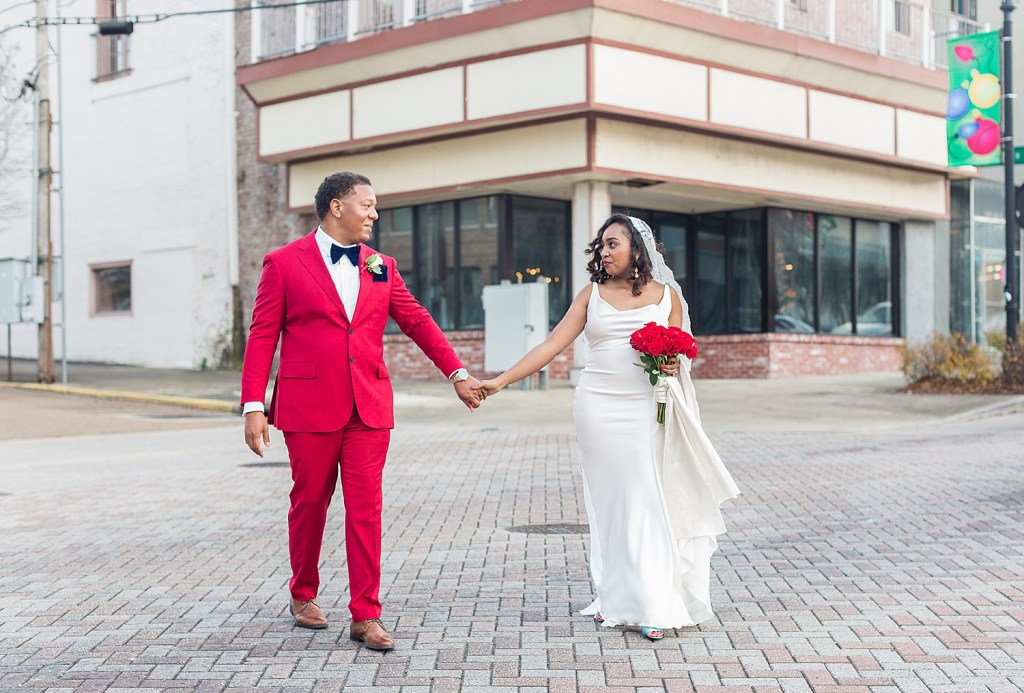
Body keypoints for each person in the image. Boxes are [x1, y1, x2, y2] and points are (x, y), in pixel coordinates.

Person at [240, 171, 482, 652]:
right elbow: (263, 334)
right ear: (337, 206)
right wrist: (253, 406)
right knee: (309, 502)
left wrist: (457, 373)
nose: (374, 213)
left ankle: (365, 613)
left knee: (366, 509)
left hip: (368, 406)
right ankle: (303, 592)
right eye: (367, 204)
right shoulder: (283, 263)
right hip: (309, 405)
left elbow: (416, 321)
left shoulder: (381, 266)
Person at [474, 214, 739, 640]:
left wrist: (672, 362)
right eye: (602, 244)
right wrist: (499, 382)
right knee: (610, 506)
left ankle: (654, 603)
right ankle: (615, 595)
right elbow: (551, 344)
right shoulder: (591, 294)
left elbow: (680, 351)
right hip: (596, 408)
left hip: (645, 408)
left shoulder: (667, 296)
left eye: (613, 243)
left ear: (638, 248)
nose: (604, 251)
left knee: (646, 498)